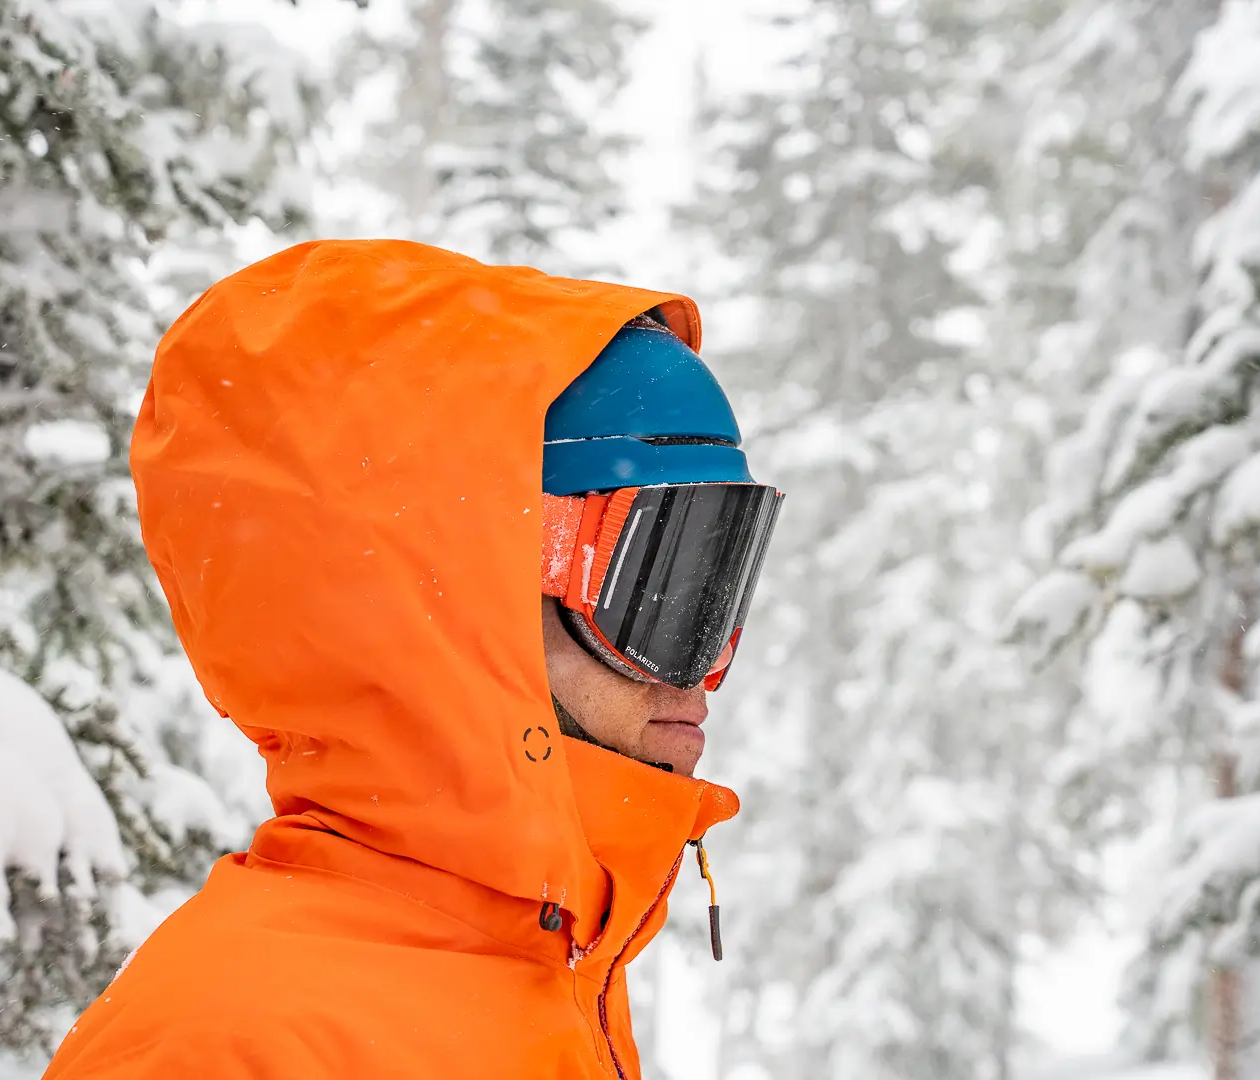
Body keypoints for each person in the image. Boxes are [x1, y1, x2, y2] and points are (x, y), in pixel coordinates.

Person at [41, 240, 783, 1080]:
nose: (699, 667)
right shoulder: (230, 1047)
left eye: (719, 586)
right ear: (464, 597)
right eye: (660, 590)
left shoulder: (549, 978)